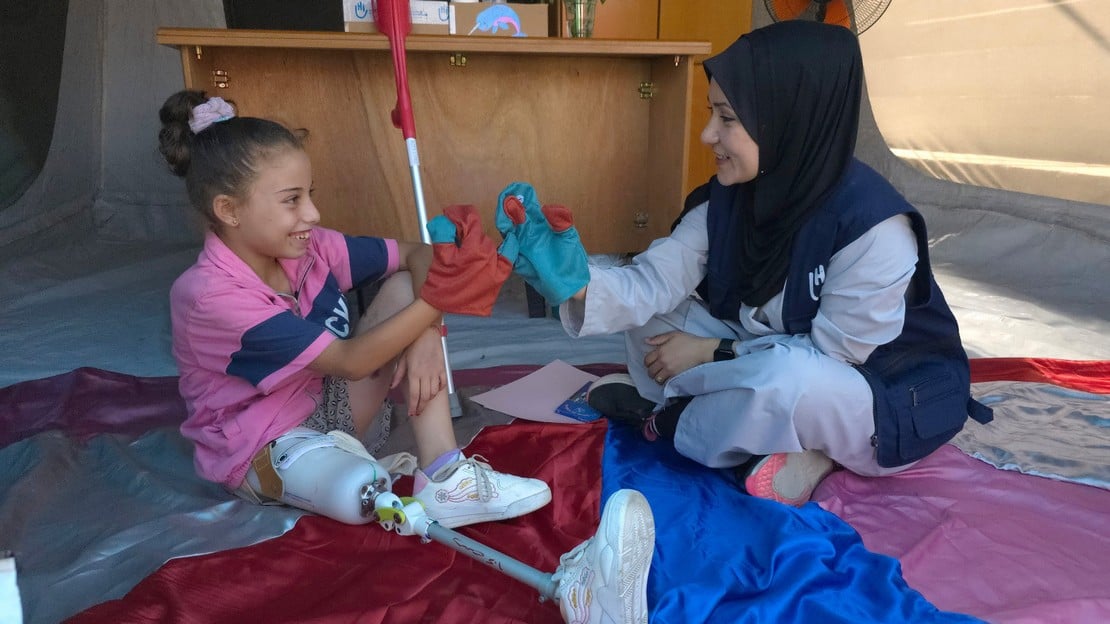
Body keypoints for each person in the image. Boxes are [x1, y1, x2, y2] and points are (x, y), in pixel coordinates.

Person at [157, 89, 656, 624]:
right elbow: (350, 360)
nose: (313, 212)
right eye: (292, 199)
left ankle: (445, 474)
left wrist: (424, 334)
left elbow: (417, 255)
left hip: (328, 411)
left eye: (310, 194)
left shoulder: (312, 245)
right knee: (361, 493)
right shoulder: (208, 295)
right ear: (228, 210)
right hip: (264, 452)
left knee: (402, 289)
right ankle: (569, 592)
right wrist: (441, 300)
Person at [497, 21, 992, 508]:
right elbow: (655, 281)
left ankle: (677, 421)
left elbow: (832, 359)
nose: (707, 134)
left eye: (727, 117)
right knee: (651, 319)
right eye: (712, 113)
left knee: (790, 381)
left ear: (788, 117)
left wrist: (713, 351)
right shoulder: (729, 201)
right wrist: (573, 280)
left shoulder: (874, 230)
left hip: (874, 393)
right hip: (770, 356)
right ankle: (753, 438)